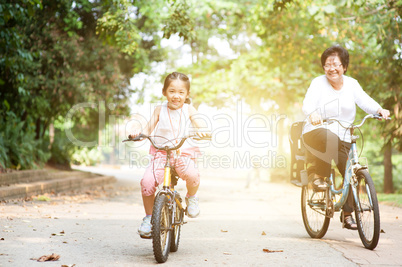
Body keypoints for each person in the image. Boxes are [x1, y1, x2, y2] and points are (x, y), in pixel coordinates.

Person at [302, 45, 390, 230]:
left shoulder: (352, 84)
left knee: (351, 173)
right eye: (327, 65)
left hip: (343, 136)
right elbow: (308, 103)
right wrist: (312, 114)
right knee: (329, 137)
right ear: (323, 67)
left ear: (344, 66)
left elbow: (365, 101)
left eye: (336, 64)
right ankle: (319, 175)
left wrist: (379, 110)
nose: (332, 68)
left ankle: (348, 214)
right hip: (317, 131)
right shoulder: (318, 83)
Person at [130, 72, 210, 238]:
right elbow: (148, 128)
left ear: (187, 95)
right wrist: (138, 134)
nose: (176, 96)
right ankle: (149, 217)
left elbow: (199, 122)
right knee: (147, 182)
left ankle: (192, 197)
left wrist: (202, 130)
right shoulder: (160, 110)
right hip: (161, 154)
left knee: (193, 175)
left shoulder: (189, 109)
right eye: (172, 91)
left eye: (181, 93)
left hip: (183, 154)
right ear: (164, 92)